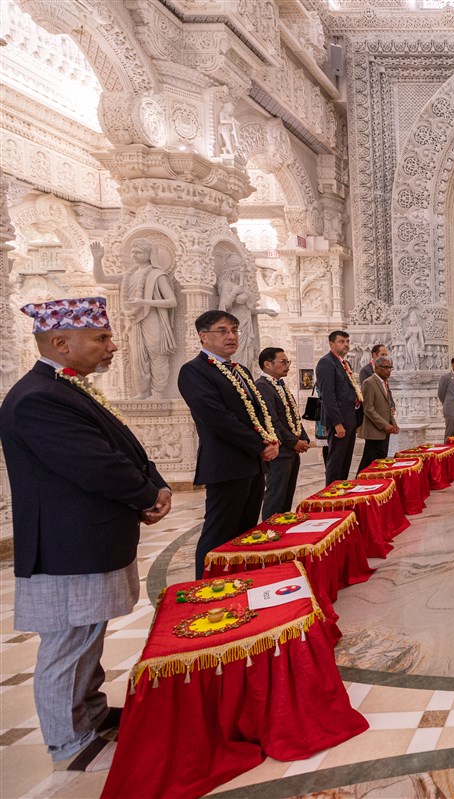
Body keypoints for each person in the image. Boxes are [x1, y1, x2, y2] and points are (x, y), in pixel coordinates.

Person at [0, 297, 171, 771]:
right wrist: (143, 494)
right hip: (66, 544)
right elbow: (94, 464)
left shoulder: (64, 388)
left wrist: (152, 482)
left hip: (87, 538)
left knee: (86, 638)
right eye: (100, 338)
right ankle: (69, 741)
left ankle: (91, 713)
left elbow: (122, 445)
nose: (111, 346)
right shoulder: (38, 399)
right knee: (68, 644)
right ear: (60, 342)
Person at [179, 310, 280, 577]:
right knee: (218, 533)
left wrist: (271, 439)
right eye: (222, 331)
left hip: (253, 464)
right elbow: (217, 419)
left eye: (234, 330)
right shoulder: (193, 371)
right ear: (203, 337)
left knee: (246, 532)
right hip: (226, 465)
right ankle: (205, 587)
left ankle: (239, 581)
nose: (231, 336)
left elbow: (258, 412)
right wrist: (259, 445)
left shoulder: (240, 370)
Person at [90, 240, 177, 399]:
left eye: (138, 252)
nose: (134, 255)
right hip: (134, 319)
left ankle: (158, 392)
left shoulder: (157, 275)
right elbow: (101, 278)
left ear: (149, 255)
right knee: (137, 356)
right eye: (133, 252)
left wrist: (144, 302)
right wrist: (97, 259)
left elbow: (172, 301)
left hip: (152, 318)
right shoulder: (129, 275)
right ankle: (143, 392)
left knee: (157, 354)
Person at [256, 347, 311, 519]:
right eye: (283, 362)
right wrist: (293, 442)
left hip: (290, 449)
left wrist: (303, 437)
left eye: (288, 362)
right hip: (280, 449)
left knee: (287, 492)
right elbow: (272, 420)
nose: (287, 365)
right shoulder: (262, 386)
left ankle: (283, 525)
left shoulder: (280, 385)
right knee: (276, 495)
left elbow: (292, 414)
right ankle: (270, 528)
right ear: (267, 364)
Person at [316, 330, 363, 482]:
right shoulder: (326, 363)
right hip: (339, 422)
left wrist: (357, 419)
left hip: (349, 419)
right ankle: (332, 494)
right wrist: (337, 423)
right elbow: (328, 396)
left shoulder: (345, 363)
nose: (346, 344)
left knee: (345, 461)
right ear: (331, 344)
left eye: (347, 341)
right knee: (336, 462)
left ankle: (342, 490)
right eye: (341, 341)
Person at [358, 357, 399, 474]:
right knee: (371, 463)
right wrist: (385, 425)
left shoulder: (384, 383)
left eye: (390, 367)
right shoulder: (369, 383)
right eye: (385, 367)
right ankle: (361, 483)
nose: (388, 370)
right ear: (376, 368)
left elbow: (387, 407)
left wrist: (393, 424)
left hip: (384, 431)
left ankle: (372, 483)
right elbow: (368, 409)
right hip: (374, 431)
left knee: (378, 462)